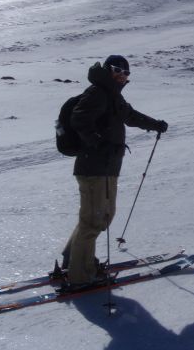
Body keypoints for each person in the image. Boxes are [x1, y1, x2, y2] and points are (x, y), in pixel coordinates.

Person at [61, 55, 168, 289]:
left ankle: (74, 260)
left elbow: (131, 116)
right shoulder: (98, 93)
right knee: (94, 220)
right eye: (117, 70)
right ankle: (80, 276)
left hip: (107, 168)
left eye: (126, 72)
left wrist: (155, 124)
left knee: (100, 217)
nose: (122, 75)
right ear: (107, 70)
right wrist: (99, 144)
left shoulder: (113, 96)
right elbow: (79, 119)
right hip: (93, 167)